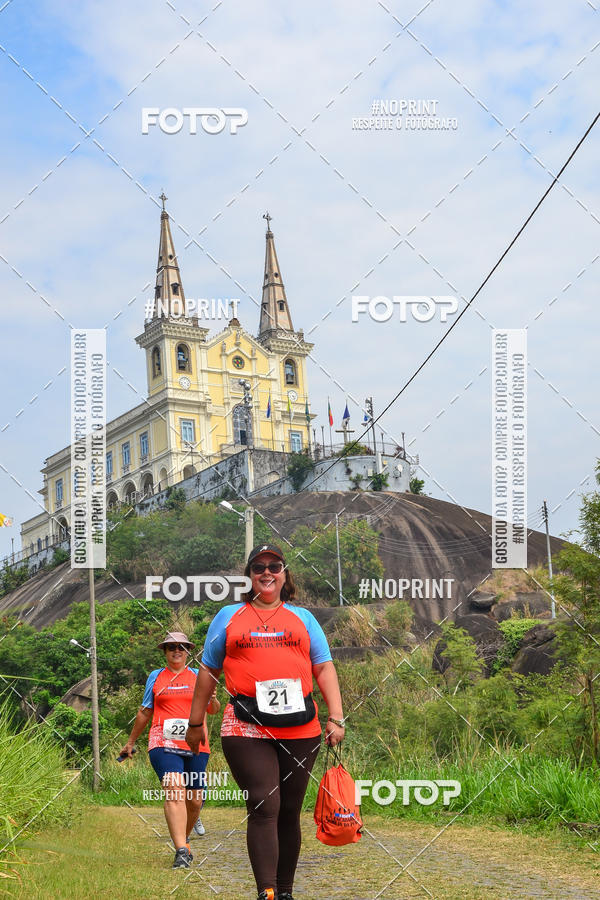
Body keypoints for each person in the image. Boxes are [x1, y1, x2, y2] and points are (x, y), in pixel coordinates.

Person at [187, 544, 345, 900]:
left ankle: (285, 892)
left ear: (285, 574)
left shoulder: (303, 618)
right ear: (249, 576)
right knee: (264, 804)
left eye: (274, 566)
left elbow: (323, 666)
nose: (267, 572)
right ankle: (267, 892)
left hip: (301, 727)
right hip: (246, 726)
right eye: (258, 567)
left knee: (289, 810)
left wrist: (336, 716)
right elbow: (209, 670)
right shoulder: (228, 616)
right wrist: (196, 723)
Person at [120, 631, 220, 868]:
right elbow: (145, 711)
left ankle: (183, 838)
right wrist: (131, 742)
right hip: (162, 741)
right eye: (171, 647)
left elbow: (213, 709)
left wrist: (213, 699)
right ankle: (181, 851)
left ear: (188, 652)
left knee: (195, 801)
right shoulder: (156, 677)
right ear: (164, 652)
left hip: (196, 742)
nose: (177, 650)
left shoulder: (199, 676)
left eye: (182, 647)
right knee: (174, 788)